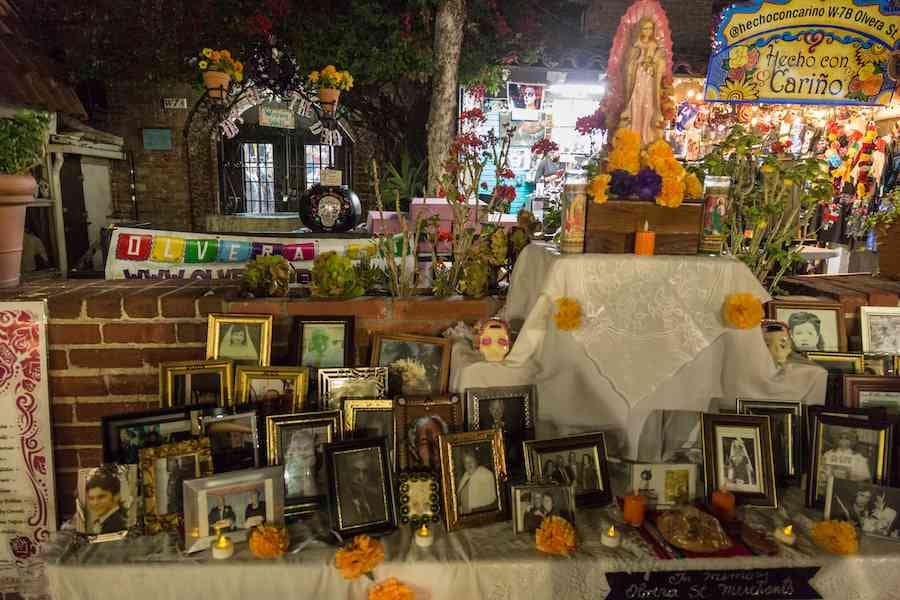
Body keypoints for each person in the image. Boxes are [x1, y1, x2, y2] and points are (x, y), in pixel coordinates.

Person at [618, 17, 666, 146]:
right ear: (640, 30)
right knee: (636, 105)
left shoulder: (655, 46)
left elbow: (661, 64)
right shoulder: (635, 45)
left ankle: (647, 138)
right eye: (645, 28)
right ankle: (633, 136)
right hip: (637, 80)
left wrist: (654, 62)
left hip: (650, 81)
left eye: (650, 28)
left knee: (648, 106)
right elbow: (628, 65)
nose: (648, 31)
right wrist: (639, 61)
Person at [819, 429, 872, 496]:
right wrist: (829, 473)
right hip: (829, 487)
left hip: (848, 489)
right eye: (841, 438)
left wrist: (850, 475)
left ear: (851, 441)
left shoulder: (857, 457)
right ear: (837, 440)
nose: (843, 440)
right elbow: (821, 470)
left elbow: (864, 477)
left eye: (847, 438)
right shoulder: (828, 454)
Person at [341, 452, 386, 525]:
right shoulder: (340, 503)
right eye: (355, 471)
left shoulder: (377, 499)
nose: (360, 477)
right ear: (346, 473)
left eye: (365, 472)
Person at [86, 469, 128, 534]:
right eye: (91, 498)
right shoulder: (105, 521)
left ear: (116, 497)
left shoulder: (115, 525)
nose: (95, 503)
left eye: (101, 497)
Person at [284, 430, 320, 497]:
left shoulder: (315, 462)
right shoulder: (289, 467)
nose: (303, 452)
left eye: (307, 448)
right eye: (299, 448)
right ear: (292, 450)